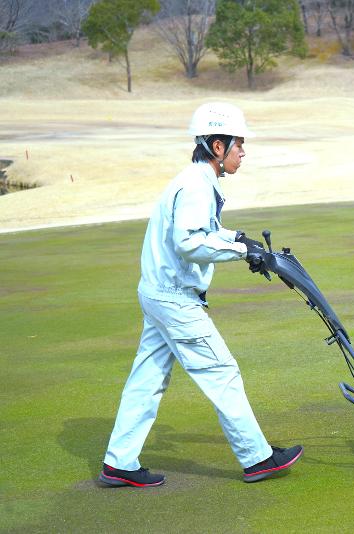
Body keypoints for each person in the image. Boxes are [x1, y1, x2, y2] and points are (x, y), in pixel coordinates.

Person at [99, 102, 302, 487]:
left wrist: (237, 238)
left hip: (157, 293)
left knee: (147, 378)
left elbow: (203, 231)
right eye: (238, 143)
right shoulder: (196, 185)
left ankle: (119, 462)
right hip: (175, 299)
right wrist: (243, 252)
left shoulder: (196, 180)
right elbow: (189, 242)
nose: (243, 151)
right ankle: (257, 458)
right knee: (221, 372)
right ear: (216, 145)